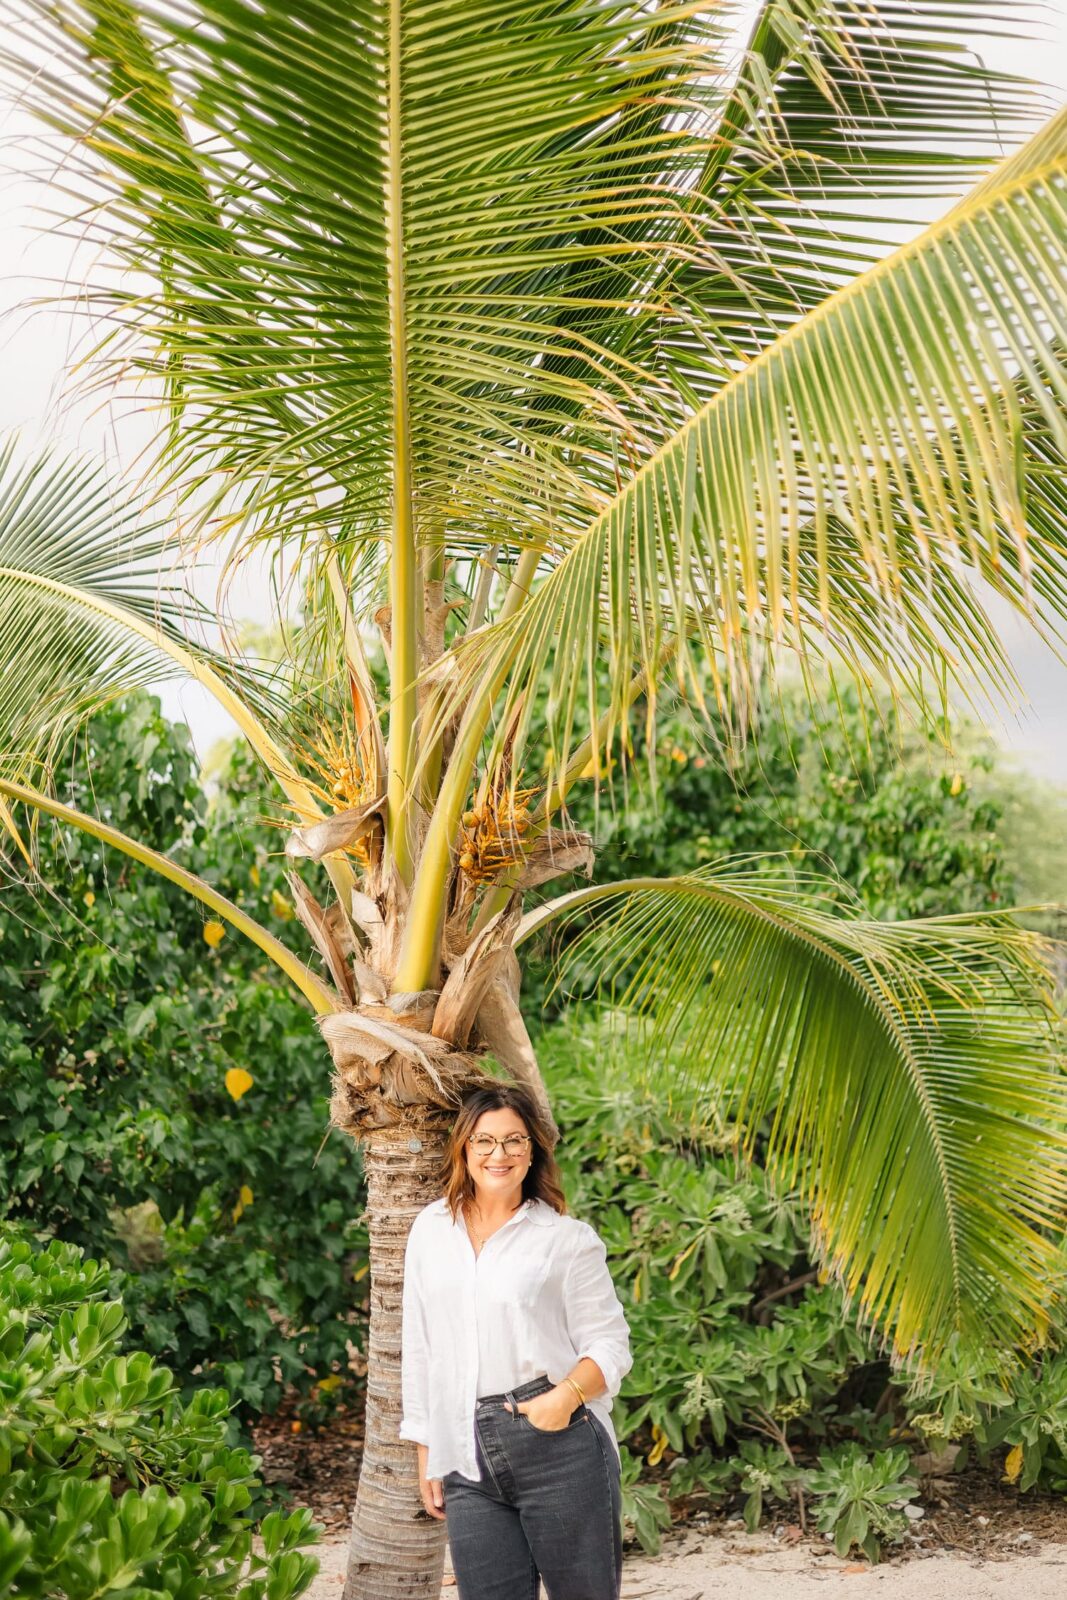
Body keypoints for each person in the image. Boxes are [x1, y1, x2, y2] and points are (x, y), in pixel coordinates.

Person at [399, 1081, 633, 1599]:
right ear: (464, 1148)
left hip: (560, 1445)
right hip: (465, 1450)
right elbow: (420, 1348)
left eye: (513, 1140)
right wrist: (428, 1450)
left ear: (532, 1151)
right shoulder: (431, 1230)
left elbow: (610, 1345)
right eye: (483, 1141)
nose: (498, 1154)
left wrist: (562, 1399)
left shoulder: (566, 1240)